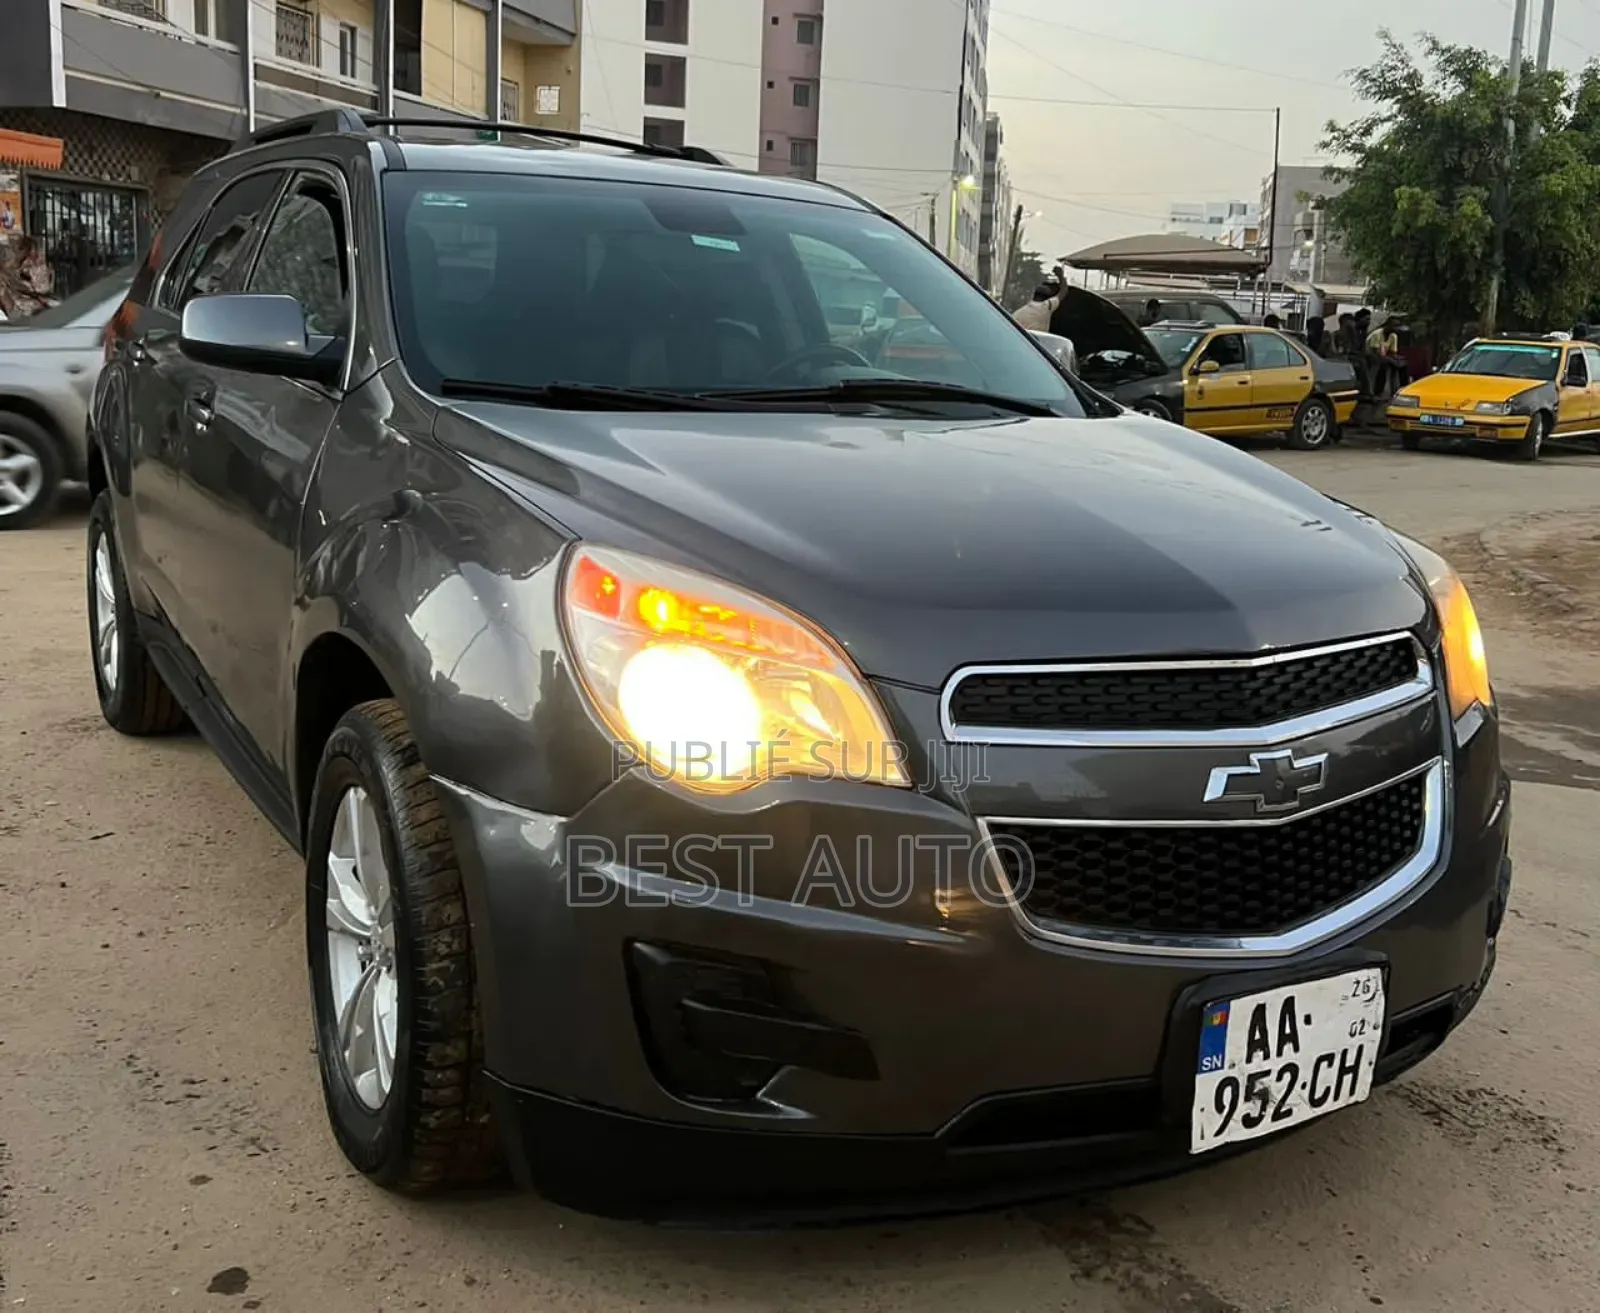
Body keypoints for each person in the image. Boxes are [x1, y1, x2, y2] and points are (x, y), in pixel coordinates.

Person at [1013, 265, 1068, 333]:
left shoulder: (1018, 313)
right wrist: (1060, 275)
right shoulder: (1047, 307)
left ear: (1034, 295)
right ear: (1047, 298)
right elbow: (1064, 290)